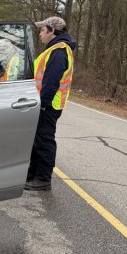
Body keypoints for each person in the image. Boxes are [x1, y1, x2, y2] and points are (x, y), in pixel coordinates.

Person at [26, 16, 76, 191]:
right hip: (44, 103)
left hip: (48, 105)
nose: (40, 33)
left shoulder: (59, 51)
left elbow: (51, 82)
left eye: (42, 30)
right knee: (37, 140)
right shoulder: (54, 49)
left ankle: (43, 179)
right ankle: (32, 175)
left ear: (52, 31)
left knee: (44, 140)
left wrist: (42, 103)